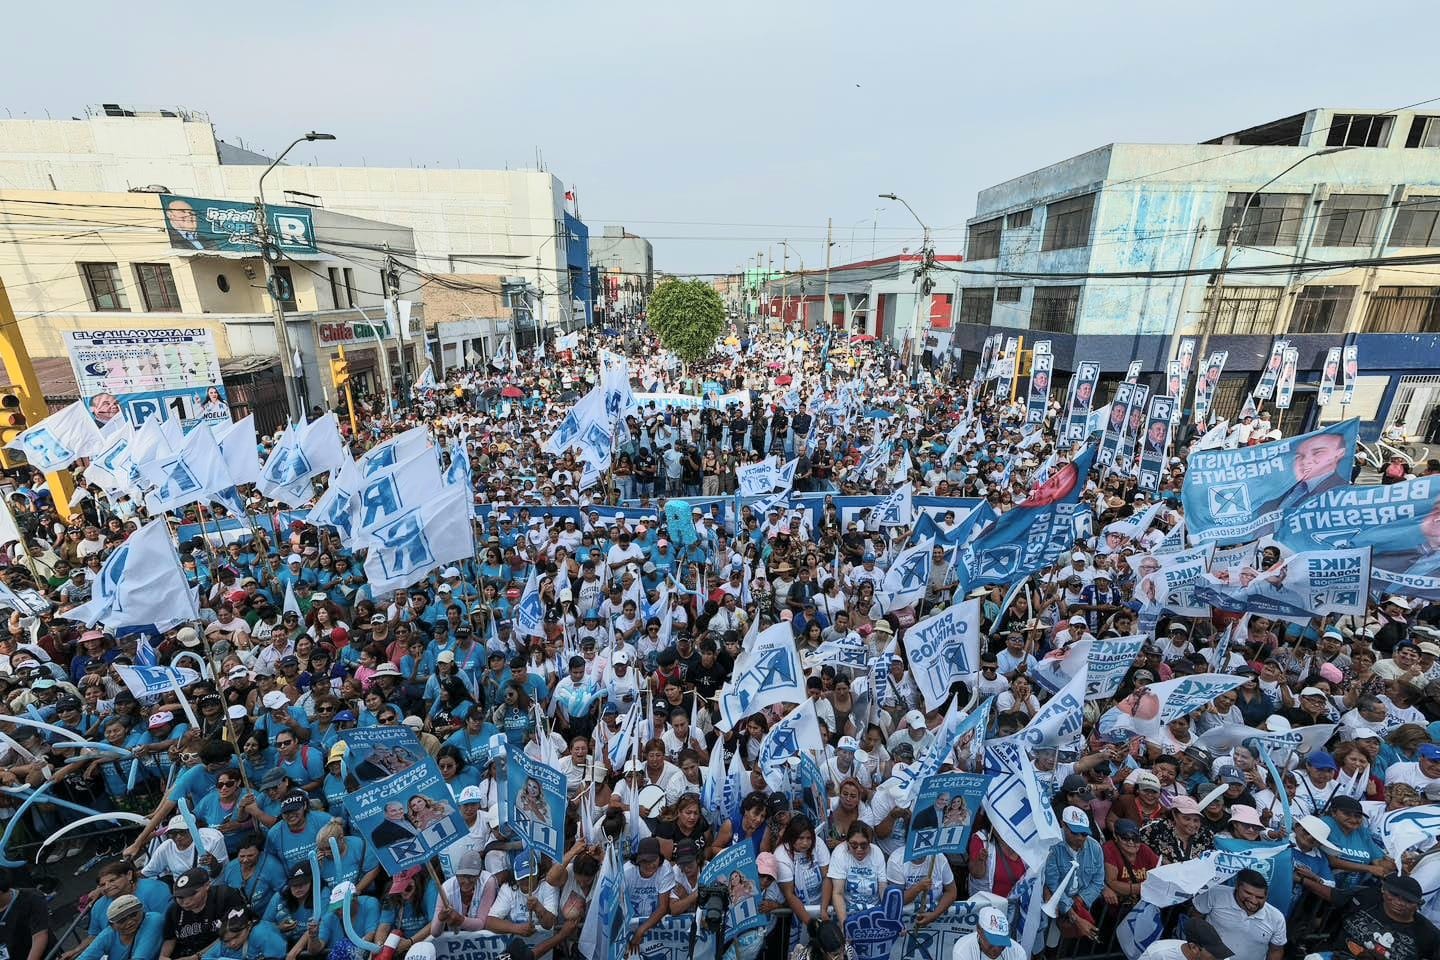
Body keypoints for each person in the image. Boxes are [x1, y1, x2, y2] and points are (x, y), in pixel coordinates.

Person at [1189, 868, 1286, 960]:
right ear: (1237, 886)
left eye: (1259, 897)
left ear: (1266, 896)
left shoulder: (1276, 918)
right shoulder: (1215, 894)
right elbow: (1196, 917)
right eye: (1248, 893)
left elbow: (1276, 950)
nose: (1253, 901)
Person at [1137, 917, 1235, 960]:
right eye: (1213, 952)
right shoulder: (1159, 953)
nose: (1219, 958)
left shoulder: (1223, 957)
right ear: (1194, 948)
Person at [951, 905, 1026, 960]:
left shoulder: (1018, 952)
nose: (997, 949)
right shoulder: (963, 951)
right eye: (993, 942)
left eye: (1002, 943)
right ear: (979, 930)